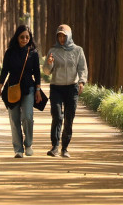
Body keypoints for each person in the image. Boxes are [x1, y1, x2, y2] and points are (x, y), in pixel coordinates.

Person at [0, 24, 43, 158]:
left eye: (27, 37)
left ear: (30, 38)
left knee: (27, 117)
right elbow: (4, 71)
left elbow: (37, 73)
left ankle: (28, 144)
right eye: (22, 37)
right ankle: (18, 149)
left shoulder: (33, 53)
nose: (24, 39)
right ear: (17, 37)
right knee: (14, 119)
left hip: (28, 88)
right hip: (12, 89)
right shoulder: (10, 52)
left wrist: (38, 90)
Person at [43, 23, 87, 157]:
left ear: (69, 36)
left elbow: (82, 68)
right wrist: (49, 63)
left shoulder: (78, 50)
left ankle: (65, 148)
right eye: (59, 36)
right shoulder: (53, 51)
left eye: (64, 36)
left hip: (72, 87)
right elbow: (46, 72)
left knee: (69, 117)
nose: (62, 39)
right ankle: (55, 146)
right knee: (57, 115)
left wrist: (81, 82)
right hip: (56, 87)